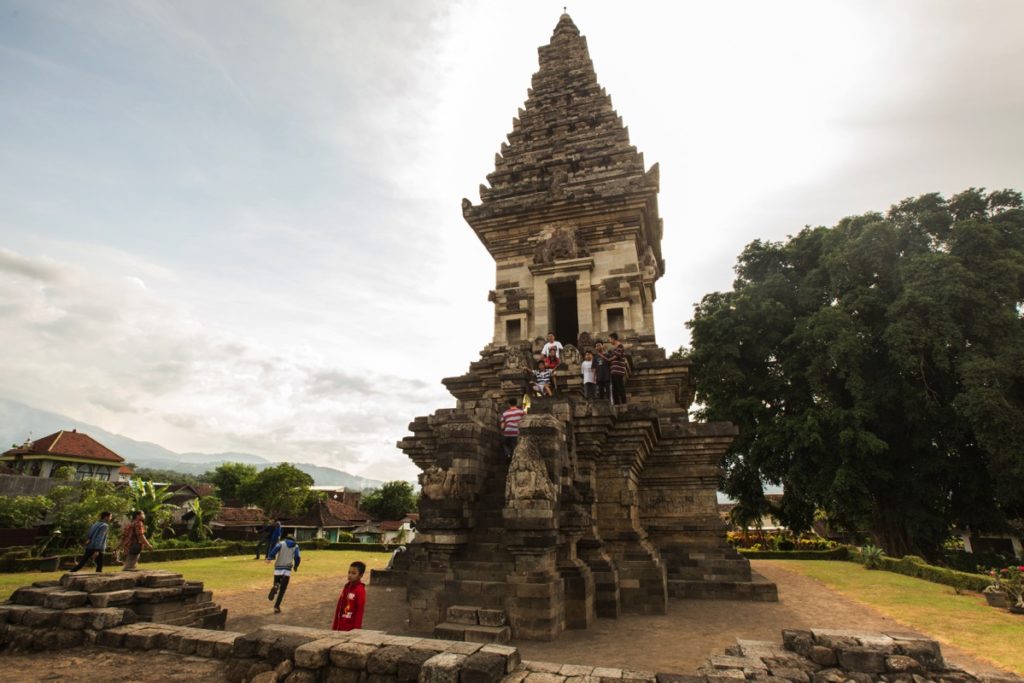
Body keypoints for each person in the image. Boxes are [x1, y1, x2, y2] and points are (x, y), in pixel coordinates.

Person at [266, 529, 301, 613]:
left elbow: (275, 549)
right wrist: (296, 566)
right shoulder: (296, 546)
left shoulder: (281, 543)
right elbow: (297, 557)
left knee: (276, 583)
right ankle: (276, 607)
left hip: (278, 568)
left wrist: (270, 557)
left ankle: (276, 585)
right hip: (287, 570)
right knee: (282, 590)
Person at [331, 561, 366, 631]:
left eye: (353, 573)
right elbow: (339, 607)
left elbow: (359, 611)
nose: (350, 575)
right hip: (340, 626)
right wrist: (335, 626)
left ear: (360, 575)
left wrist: (356, 629)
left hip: (350, 628)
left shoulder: (360, 590)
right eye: (349, 572)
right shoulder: (346, 587)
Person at [608, 332, 628, 405]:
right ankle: (616, 403)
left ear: (613, 339)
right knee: (614, 388)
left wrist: (610, 359)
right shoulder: (615, 348)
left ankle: (623, 402)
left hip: (618, 370)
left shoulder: (620, 346)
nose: (609, 341)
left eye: (610, 339)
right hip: (613, 370)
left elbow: (617, 356)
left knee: (620, 387)